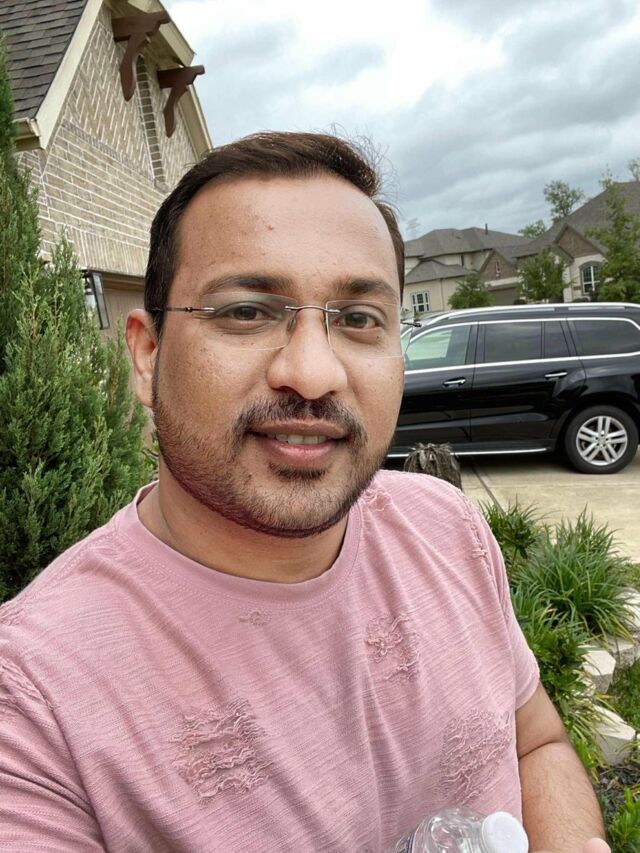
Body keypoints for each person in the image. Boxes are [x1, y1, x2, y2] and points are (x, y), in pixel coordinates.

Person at [0, 131, 610, 853]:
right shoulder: (32, 700)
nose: (314, 372)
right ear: (147, 353)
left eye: (357, 319)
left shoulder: (445, 526)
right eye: (247, 311)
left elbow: (535, 741)